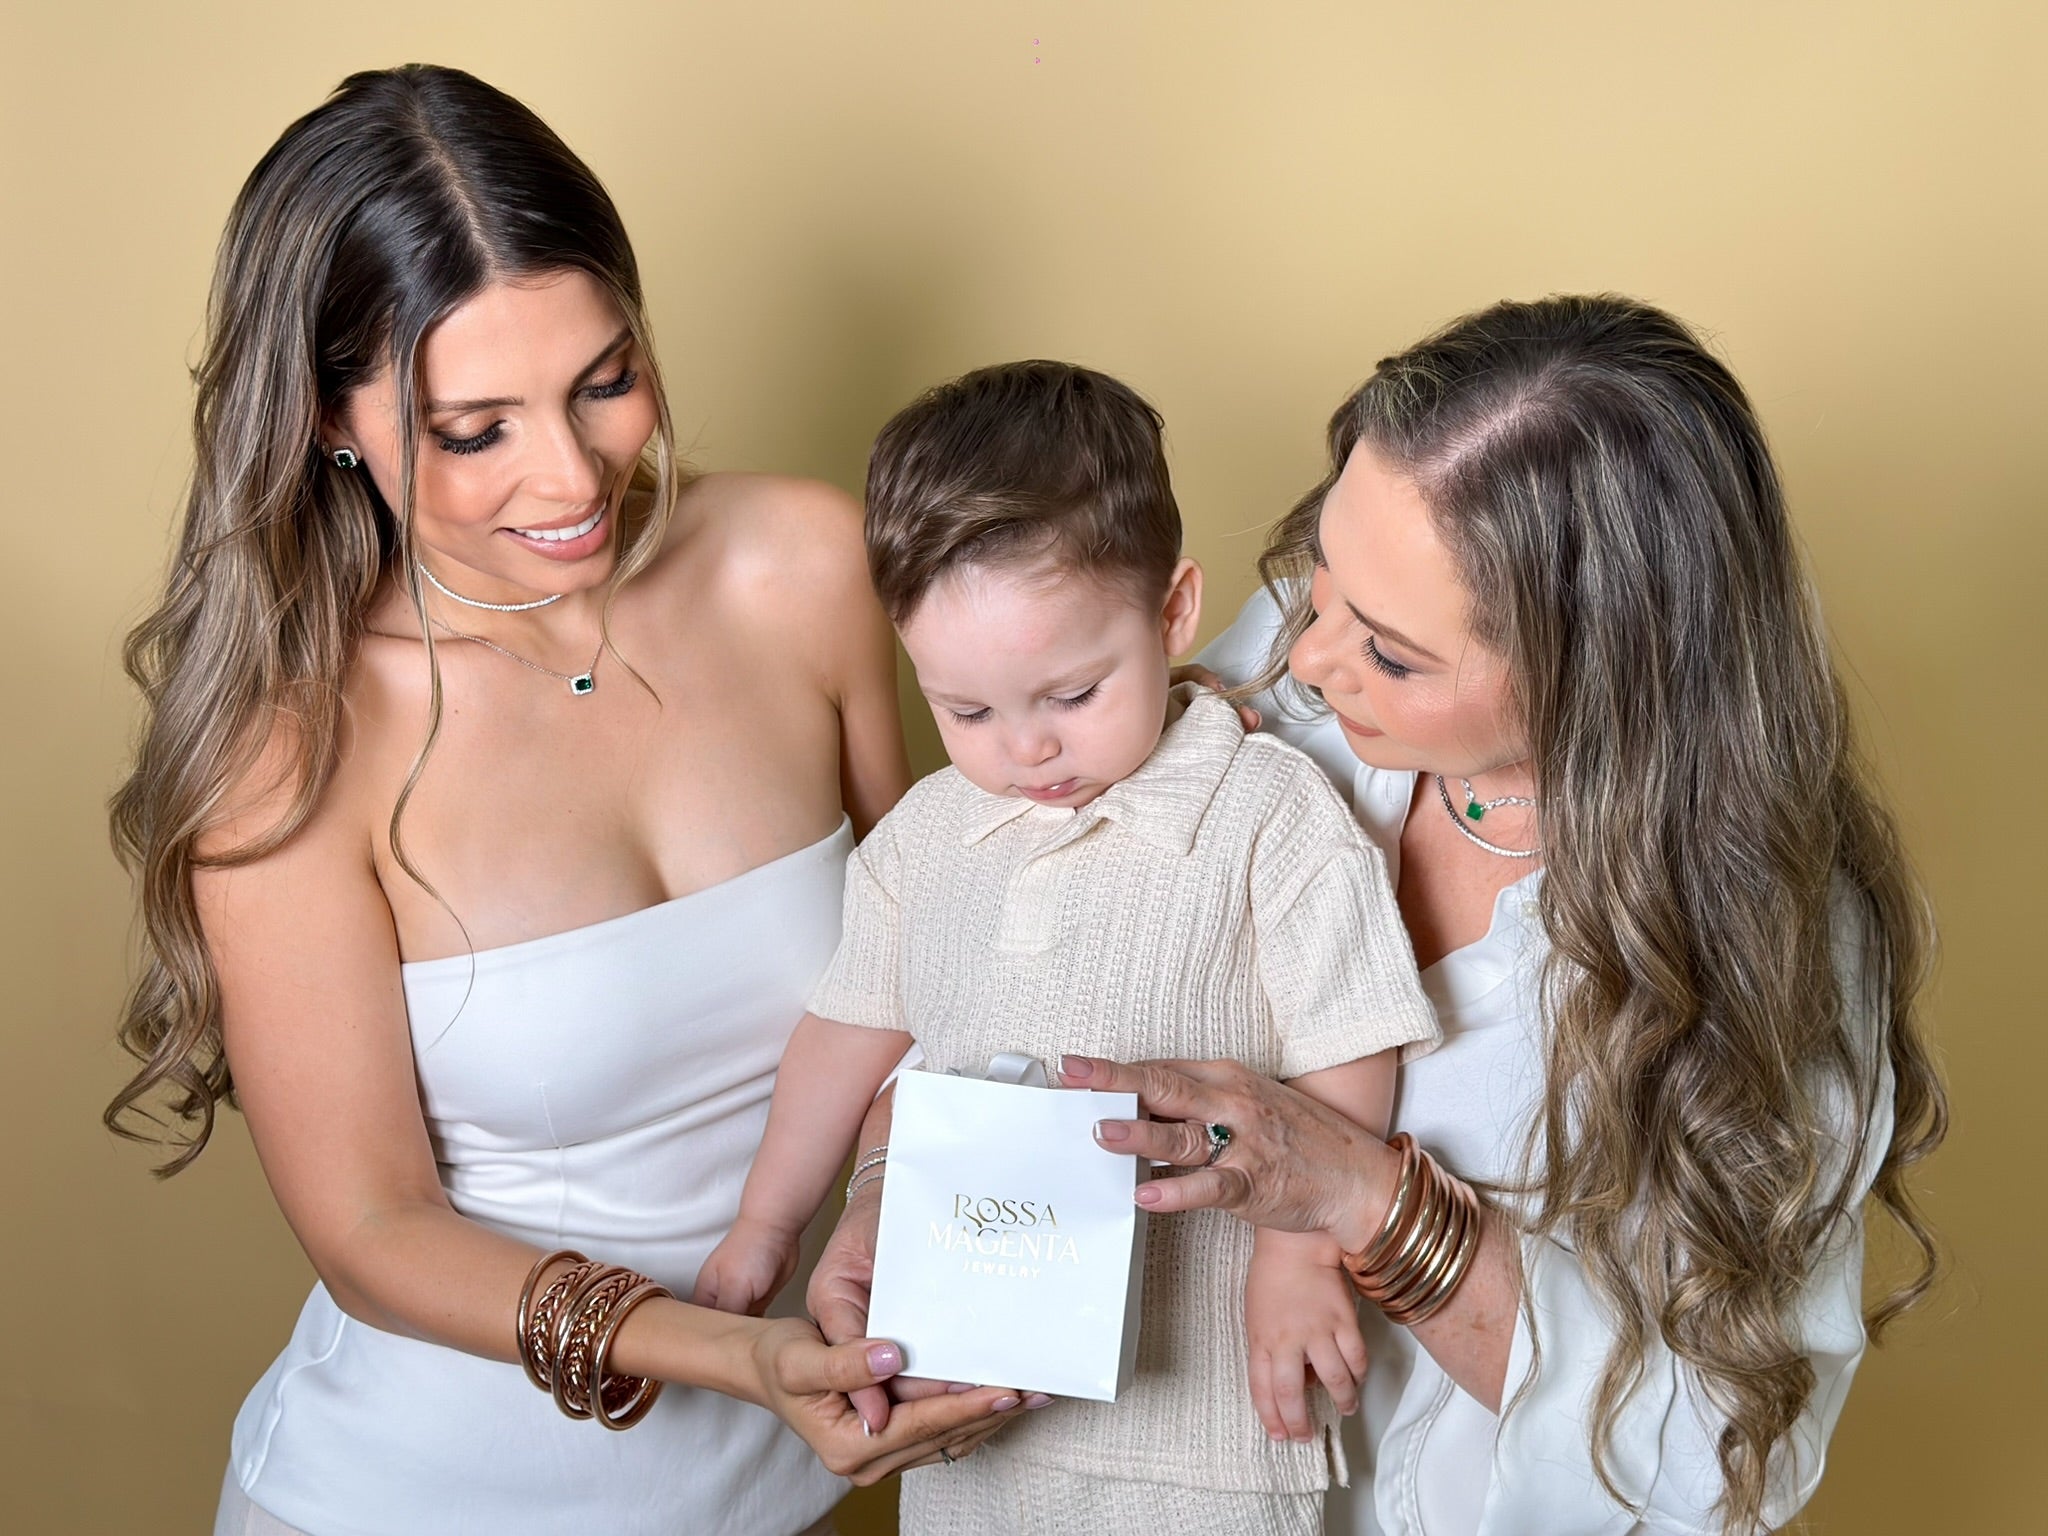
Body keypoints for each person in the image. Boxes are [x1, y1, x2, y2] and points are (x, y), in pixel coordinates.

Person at [106, 65, 1020, 1536]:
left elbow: (925, 968)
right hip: (414, 1501)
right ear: (331, 419)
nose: (572, 475)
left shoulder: (803, 566)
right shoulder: (290, 750)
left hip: (788, 1486)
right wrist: (735, 1352)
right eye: (474, 429)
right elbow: (371, 1231)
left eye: (603, 381)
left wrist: (875, 1202)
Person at [1054, 295, 1950, 1535]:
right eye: (1322, 581)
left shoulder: (1772, 947)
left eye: (1393, 654)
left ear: (1602, 669)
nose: (1308, 657)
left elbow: (1717, 1462)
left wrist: (1362, 1201)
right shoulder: (1293, 680)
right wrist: (891, 1191)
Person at [696, 360, 1442, 1534]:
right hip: (973, 1406)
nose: (1026, 749)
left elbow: (1349, 1036)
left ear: (1171, 614)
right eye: (966, 711)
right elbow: (843, 1035)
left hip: (1204, 1429)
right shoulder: (925, 840)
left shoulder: (1267, 814)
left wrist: (1297, 1257)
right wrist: (766, 1225)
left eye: (1072, 694)